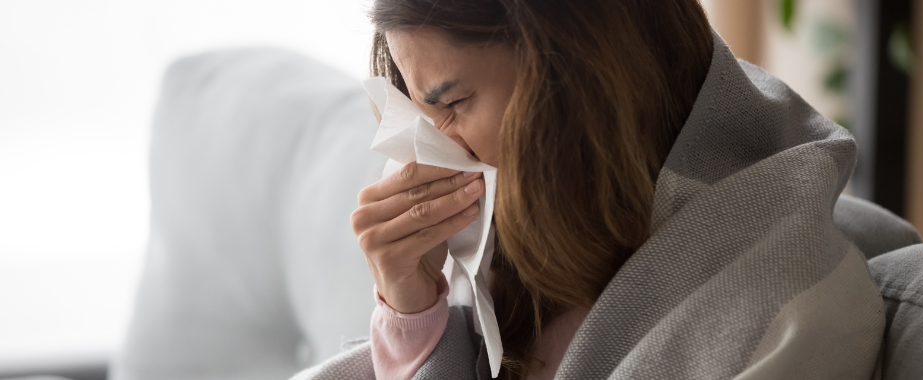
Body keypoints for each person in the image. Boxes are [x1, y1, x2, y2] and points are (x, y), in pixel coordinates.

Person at [291, 0, 885, 379]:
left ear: (579, 72)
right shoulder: (520, 276)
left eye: (451, 104)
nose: (437, 150)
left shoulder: (783, 311)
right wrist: (414, 314)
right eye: (419, 114)